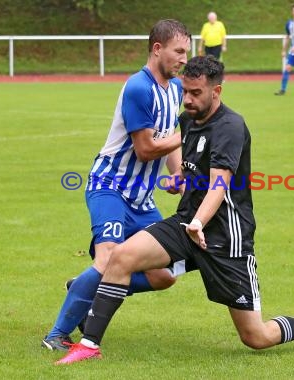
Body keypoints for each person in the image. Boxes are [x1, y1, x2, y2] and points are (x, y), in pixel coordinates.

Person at [55, 56, 294, 365]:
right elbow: (191, 161)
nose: (187, 99)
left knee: (255, 337)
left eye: (196, 93)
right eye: (185, 91)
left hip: (225, 237)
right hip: (187, 223)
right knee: (121, 257)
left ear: (216, 92)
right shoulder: (188, 119)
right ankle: (88, 345)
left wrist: (199, 223)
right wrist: (180, 180)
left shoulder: (230, 127)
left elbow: (219, 185)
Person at [41, 19, 192, 351]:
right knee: (108, 259)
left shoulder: (176, 89)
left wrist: (179, 173)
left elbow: (169, 143)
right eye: (178, 51)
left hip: (141, 199)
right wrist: (188, 134)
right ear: (157, 49)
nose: (184, 59)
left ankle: (85, 288)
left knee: (163, 276)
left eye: (187, 52)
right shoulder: (139, 87)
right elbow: (146, 147)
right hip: (108, 186)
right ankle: (57, 334)